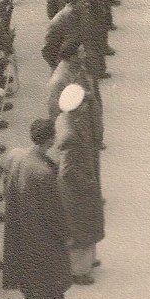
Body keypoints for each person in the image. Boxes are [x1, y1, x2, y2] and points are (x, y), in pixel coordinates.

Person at [0, 118, 77, 299]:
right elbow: (55, 212)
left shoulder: (17, 157)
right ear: (50, 139)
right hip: (43, 233)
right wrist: (66, 234)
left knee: (31, 272)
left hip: (22, 228)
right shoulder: (44, 173)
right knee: (52, 274)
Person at [54, 82, 104, 285]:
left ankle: (88, 261)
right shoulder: (69, 136)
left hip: (83, 180)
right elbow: (67, 172)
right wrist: (86, 183)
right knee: (80, 227)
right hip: (76, 189)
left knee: (88, 224)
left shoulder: (67, 119)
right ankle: (78, 271)